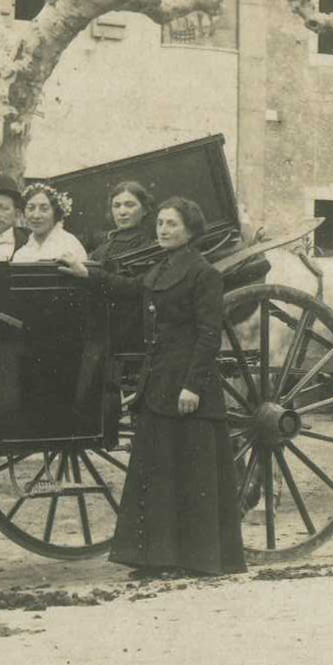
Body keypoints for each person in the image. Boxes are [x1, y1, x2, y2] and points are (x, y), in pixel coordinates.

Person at [59, 198, 244, 578]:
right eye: (160, 223)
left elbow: (209, 335)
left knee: (188, 474)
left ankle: (193, 560)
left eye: (172, 224)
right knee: (157, 474)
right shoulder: (161, 269)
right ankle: (154, 558)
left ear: (190, 230)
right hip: (158, 380)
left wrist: (192, 386)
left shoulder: (203, 273)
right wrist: (86, 273)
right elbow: (128, 288)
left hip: (188, 387)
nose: (163, 230)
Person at [16, 182, 89, 267]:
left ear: (55, 212)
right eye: (31, 208)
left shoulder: (70, 244)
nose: (36, 215)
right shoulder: (21, 253)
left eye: (44, 209)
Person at [95, 180, 159, 267]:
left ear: (145, 209)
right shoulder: (104, 245)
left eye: (130, 205)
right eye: (116, 206)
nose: (122, 212)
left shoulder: (148, 245)